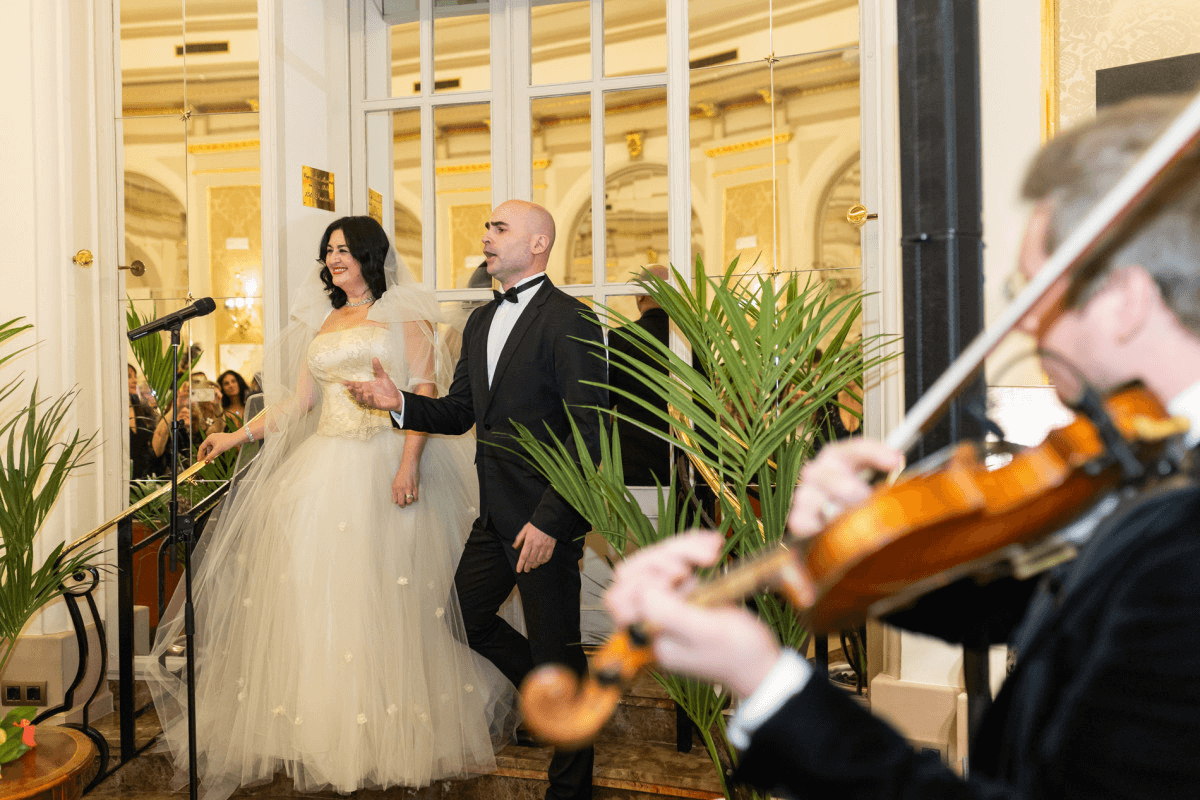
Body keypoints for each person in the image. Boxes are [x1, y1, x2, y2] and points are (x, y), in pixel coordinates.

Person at [604, 95, 1200, 799]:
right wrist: (856, 545)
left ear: (1126, 299)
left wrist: (768, 686)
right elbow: (1027, 610)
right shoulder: (1151, 454)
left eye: (1033, 290)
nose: (1023, 324)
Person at [145, 216, 512, 800]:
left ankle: (390, 732)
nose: (334, 258)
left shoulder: (402, 313)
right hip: (324, 468)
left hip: (386, 460)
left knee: (387, 598)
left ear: (369, 254)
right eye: (329, 250)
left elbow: (424, 392)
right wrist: (236, 436)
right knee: (321, 597)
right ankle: (326, 730)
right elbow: (299, 402)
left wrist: (409, 465)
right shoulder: (324, 320)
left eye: (344, 249)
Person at [346, 199, 607, 800]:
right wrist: (400, 402)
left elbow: (590, 431)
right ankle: (555, 695)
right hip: (494, 518)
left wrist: (551, 522)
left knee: (557, 650)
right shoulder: (482, 322)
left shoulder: (571, 319)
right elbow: (462, 412)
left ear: (538, 244)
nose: (486, 236)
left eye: (500, 228)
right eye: (487, 227)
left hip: (545, 520)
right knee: (463, 617)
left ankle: (570, 789)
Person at [608, 264, 674, 486]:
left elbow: (605, 401)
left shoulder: (620, 338)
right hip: (685, 461)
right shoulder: (693, 339)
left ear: (640, 295)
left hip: (633, 461)